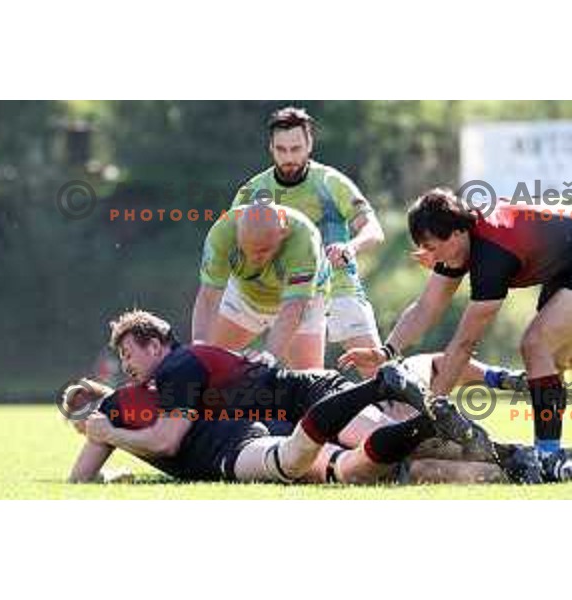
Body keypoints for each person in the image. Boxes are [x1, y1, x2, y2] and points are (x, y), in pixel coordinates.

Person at [62, 309, 539, 486]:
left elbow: (166, 438)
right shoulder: (179, 370)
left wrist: (107, 429)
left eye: (128, 353)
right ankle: (520, 464)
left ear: (155, 344)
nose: (127, 366)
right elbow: (148, 406)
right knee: (393, 467)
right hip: (299, 413)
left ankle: (516, 457)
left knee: (401, 444)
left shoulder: (177, 369)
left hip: (313, 394)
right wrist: (99, 396)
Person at [339, 188, 572, 458]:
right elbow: (426, 308)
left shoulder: (491, 255)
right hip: (563, 265)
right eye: (425, 249)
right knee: (551, 360)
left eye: (432, 248)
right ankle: (551, 455)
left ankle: (547, 456)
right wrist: (386, 352)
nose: (431, 258)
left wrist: (431, 410)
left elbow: (464, 344)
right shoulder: (458, 242)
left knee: (536, 344)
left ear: (457, 234)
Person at [231, 106, 384, 354]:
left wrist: (351, 247)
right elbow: (235, 243)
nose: (288, 157)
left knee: (378, 371)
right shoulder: (253, 191)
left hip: (338, 285)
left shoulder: (330, 182)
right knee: (303, 379)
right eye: (281, 149)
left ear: (309, 145)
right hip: (287, 293)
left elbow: (374, 230)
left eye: (296, 149)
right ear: (271, 147)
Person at [192, 203, 330, 369]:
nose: (253, 259)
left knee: (310, 379)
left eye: (262, 251)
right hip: (246, 296)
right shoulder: (223, 232)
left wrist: (269, 355)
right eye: (246, 250)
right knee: (205, 365)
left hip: (304, 299)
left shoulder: (304, 238)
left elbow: (294, 307)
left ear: (283, 234)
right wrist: (199, 344)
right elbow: (209, 295)